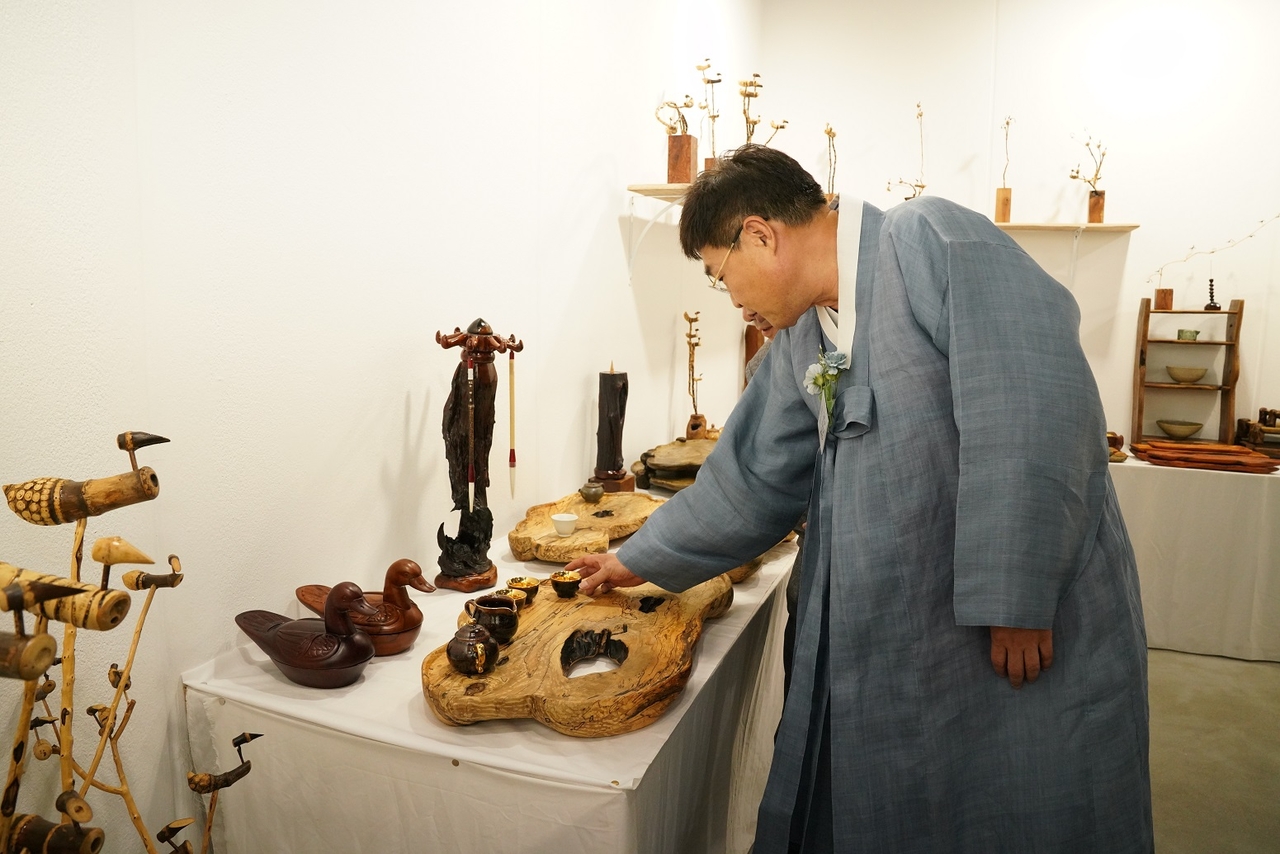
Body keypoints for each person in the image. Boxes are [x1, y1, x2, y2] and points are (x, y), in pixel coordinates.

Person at [567, 144, 1152, 852]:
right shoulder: (804, 336)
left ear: (760, 234)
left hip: (1013, 620)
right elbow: (752, 476)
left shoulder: (926, 239)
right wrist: (640, 557)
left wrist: (1017, 600)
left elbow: (1032, 403)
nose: (735, 301)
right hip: (904, 624)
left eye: (723, 279)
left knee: (1024, 796)